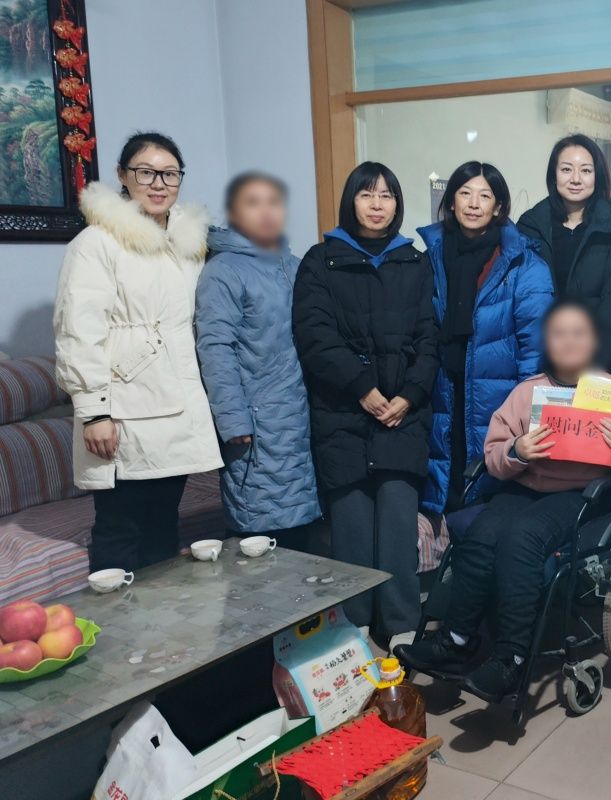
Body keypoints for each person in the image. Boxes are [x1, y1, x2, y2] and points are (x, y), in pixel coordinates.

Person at [398, 300, 611, 702]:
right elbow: (493, 457)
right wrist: (517, 450)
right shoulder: (527, 392)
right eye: (559, 333)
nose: (569, 342)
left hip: (583, 494)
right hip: (525, 485)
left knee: (522, 537)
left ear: (594, 342)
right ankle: (456, 640)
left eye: (579, 333)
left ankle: (511, 659)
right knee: (481, 533)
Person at [54, 132, 222, 571]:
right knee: (120, 526)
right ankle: (116, 616)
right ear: (122, 176)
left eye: (170, 174)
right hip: (124, 408)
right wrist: (94, 412)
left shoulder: (188, 245)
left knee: (163, 523)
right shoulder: (97, 243)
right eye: (146, 172)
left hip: (177, 405)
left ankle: (164, 617)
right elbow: (78, 331)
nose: (159, 184)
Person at [292, 162, 439, 651]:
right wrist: (362, 389)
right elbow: (315, 337)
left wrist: (409, 395)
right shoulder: (321, 261)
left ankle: (400, 623)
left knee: (398, 525)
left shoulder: (414, 262)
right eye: (366, 194)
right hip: (343, 415)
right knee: (351, 528)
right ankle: (351, 627)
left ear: (397, 205)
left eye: (387, 195)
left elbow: (429, 338)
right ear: (350, 201)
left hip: (403, 415)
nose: (377, 205)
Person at [417, 161, 554, 514]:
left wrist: (527, 413)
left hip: (499, 394)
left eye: (485, 195)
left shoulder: (525, 265)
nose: (474, 203)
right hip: (443, 387)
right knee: (448, 481)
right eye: (465, 193)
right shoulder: (430, 258)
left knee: (491, 490)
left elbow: (536, 349)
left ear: (498, 207)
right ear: (451, 202)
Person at [196, 173, 321, 549]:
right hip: (257, 422)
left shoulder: (295, 265)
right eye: (253, 203)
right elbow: (215, 347)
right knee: (262, 534)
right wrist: (233, 419)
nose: (266, 212)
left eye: (274, 203)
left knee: (305, 538)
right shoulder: (223, 270)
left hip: (301, 417)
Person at [517, 134, 611, 375]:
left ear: (597, 176)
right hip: (541, 364)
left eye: (585, 170)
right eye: (566, 169)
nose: (575, 179)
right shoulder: (530, 227)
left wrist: (591, 368)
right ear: (553, 175)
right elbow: (523, 305)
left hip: (599, 367)